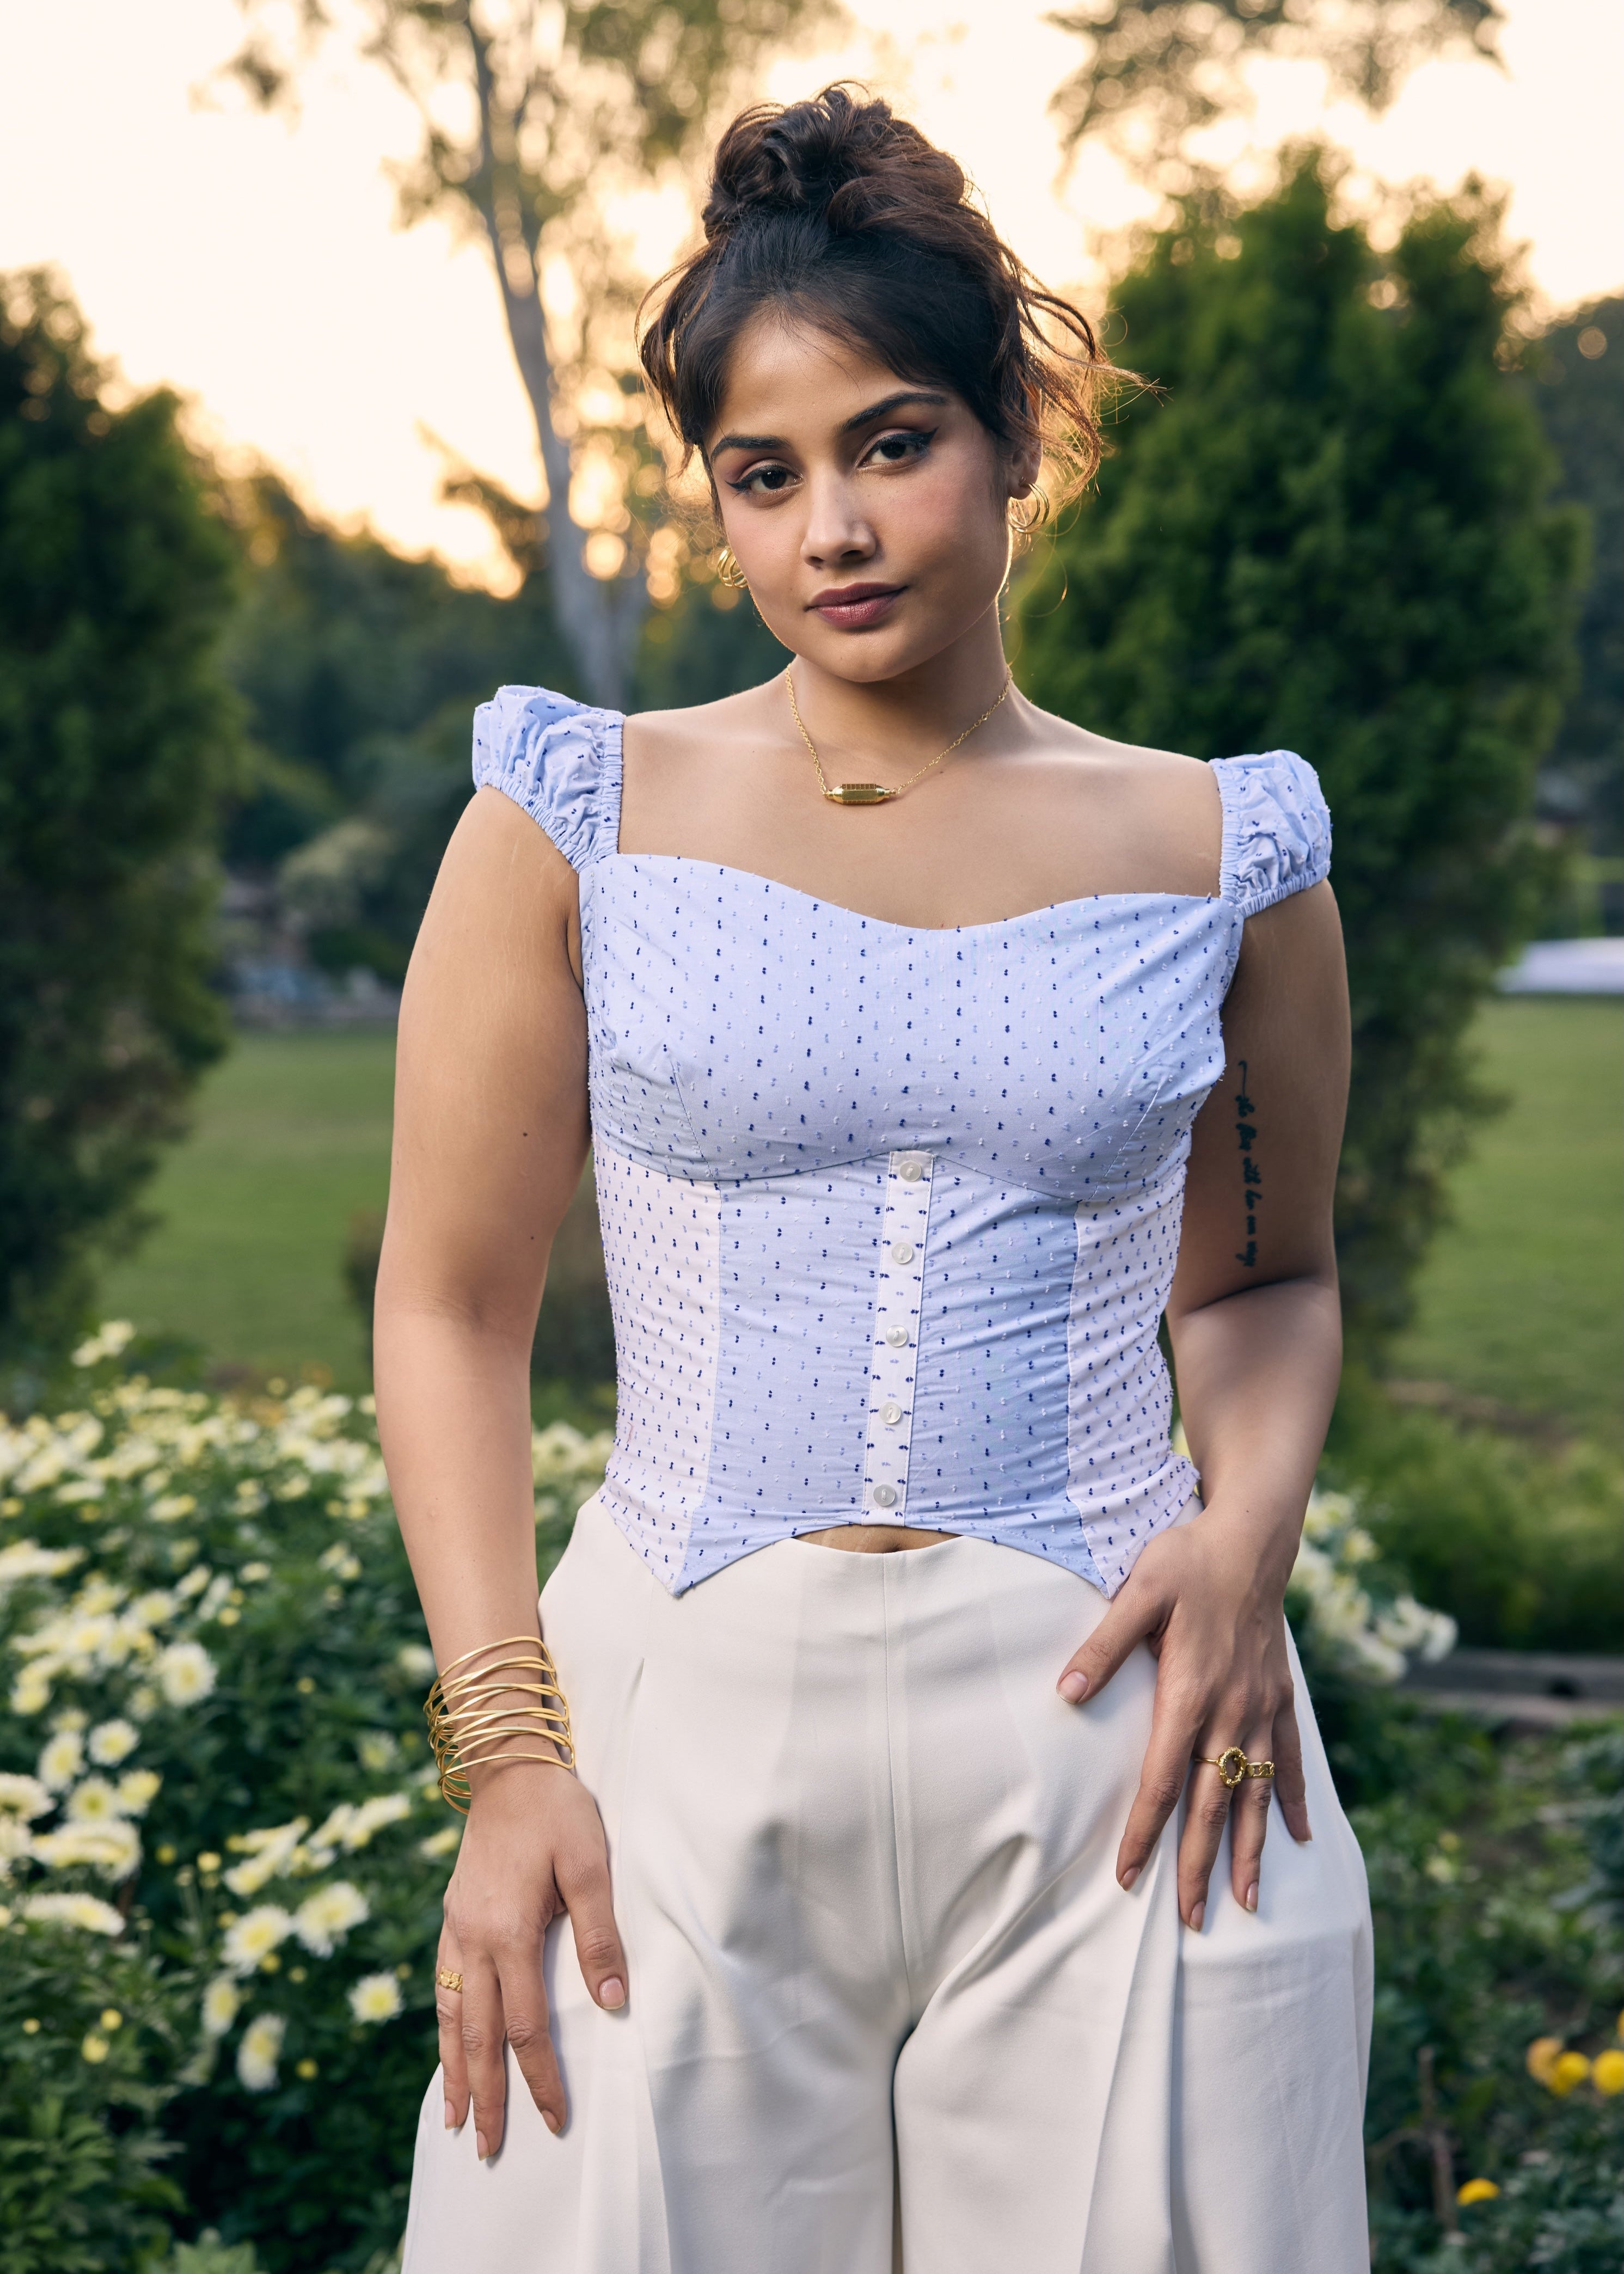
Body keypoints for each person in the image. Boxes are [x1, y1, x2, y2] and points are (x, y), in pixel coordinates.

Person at [382, 83, 1371, 2274]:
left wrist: (1242, 1540)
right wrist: (508, 1756)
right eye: (766, 474)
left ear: (1016, 438)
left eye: (893, 442)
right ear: (717, 507)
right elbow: (445, 1306)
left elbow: (1262, 1278)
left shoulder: (1217, 851)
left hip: (1121, 1733)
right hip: (670, 1721)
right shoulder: (575, 811)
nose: (831, 523)